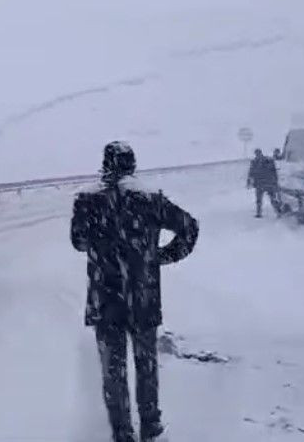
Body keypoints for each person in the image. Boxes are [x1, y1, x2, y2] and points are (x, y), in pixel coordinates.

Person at [71, 142, 200, 442]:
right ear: (132, 165)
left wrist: (103, 242)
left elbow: (77, 241)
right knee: (146, 368)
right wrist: (161, 256)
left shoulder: (87, 200)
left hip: (104, 300)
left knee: (112, 374)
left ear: (104, 165)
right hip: (143, 297)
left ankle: (122, 434)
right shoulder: (150, 199)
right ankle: (151, 430)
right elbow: (190, 228)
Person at [247, 149, 281, 218]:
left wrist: (275, 182)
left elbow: (274, 171)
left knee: (272, 199)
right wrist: (249, 182)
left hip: (268, 183)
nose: (257, 155)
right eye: (256, 154)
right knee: (259, 200)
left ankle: (278, 212)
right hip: (261, 184)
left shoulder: (267, 160)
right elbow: (251, 173)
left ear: (260, 153)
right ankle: (259, 213)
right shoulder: (254, 162)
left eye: (258, 153)